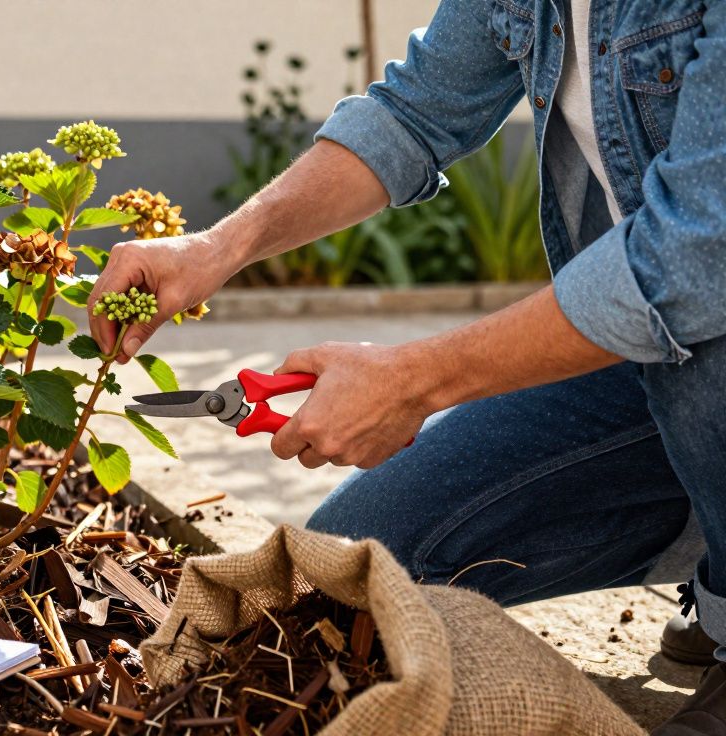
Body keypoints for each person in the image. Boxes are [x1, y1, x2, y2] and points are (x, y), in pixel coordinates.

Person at [88, 1, 726, 730]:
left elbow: (693, 259)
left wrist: (416, 379)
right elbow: (413, 114)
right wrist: (214, 249)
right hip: (647, 365)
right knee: (364, 562)